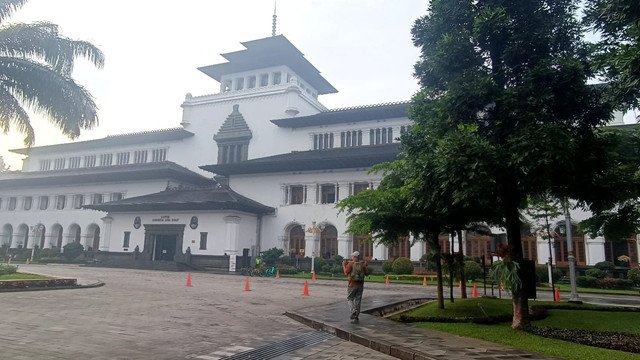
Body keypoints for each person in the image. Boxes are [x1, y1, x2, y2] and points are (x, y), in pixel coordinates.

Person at [342, 251, 370, 321]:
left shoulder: (350, 264)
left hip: (352, 284)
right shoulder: (362, 264)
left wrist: (344, 265)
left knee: (350, 298)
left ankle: (353, 310)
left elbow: (346, 272)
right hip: (360, 285)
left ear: (354, 256)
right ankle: (356, 315)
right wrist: (366, 266)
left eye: (352, 256)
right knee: (358, 299)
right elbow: (367, 273)